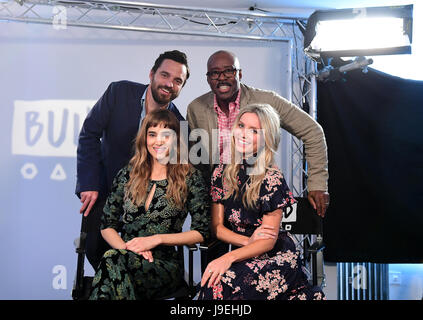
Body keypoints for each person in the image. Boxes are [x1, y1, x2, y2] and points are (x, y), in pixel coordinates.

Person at [197, 104, 325, 300]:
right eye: (241, 125)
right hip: (245, 253)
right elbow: (217, 228)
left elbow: (268, 241)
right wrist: (247, 241)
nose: (244, 134)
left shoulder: (271, 177)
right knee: (213, 284)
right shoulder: (221, 172)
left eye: (254, 131)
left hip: (277, 259)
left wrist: (227, 257)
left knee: (220, 286)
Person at [76, 50, 189, 269]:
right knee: (95, 250)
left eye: (177, 81)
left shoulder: (181, 126)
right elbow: (89, 134)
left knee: (142, 262)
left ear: (181, 87)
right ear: (151, 74)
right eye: (165, 75)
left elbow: (177, 175)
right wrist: (89, 183)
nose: (169, 84)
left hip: (147, 208)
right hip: (107, 191)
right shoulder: (118, 92)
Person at [186, 50, 329, 217]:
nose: (222, 77)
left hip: (257, 194)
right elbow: (197, 160)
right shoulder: (196, 108)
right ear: (208, 78)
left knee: (262, 241)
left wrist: (317, 184)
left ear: (239, 73)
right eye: (215, 73)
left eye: (228, 71)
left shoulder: (267, 101)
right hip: (218, 199)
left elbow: (313, 131)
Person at [89, 109, 210, 300]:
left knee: (110, 266)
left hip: (164, 266)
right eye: (152, 134)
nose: (158, 141)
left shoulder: (190, 177)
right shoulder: (128, 174)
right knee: (113, 263)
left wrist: (156, 239)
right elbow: (107, 226)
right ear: (144, 138)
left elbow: (202, 232)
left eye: (166, 135)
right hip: (123, 255)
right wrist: (127, 250)